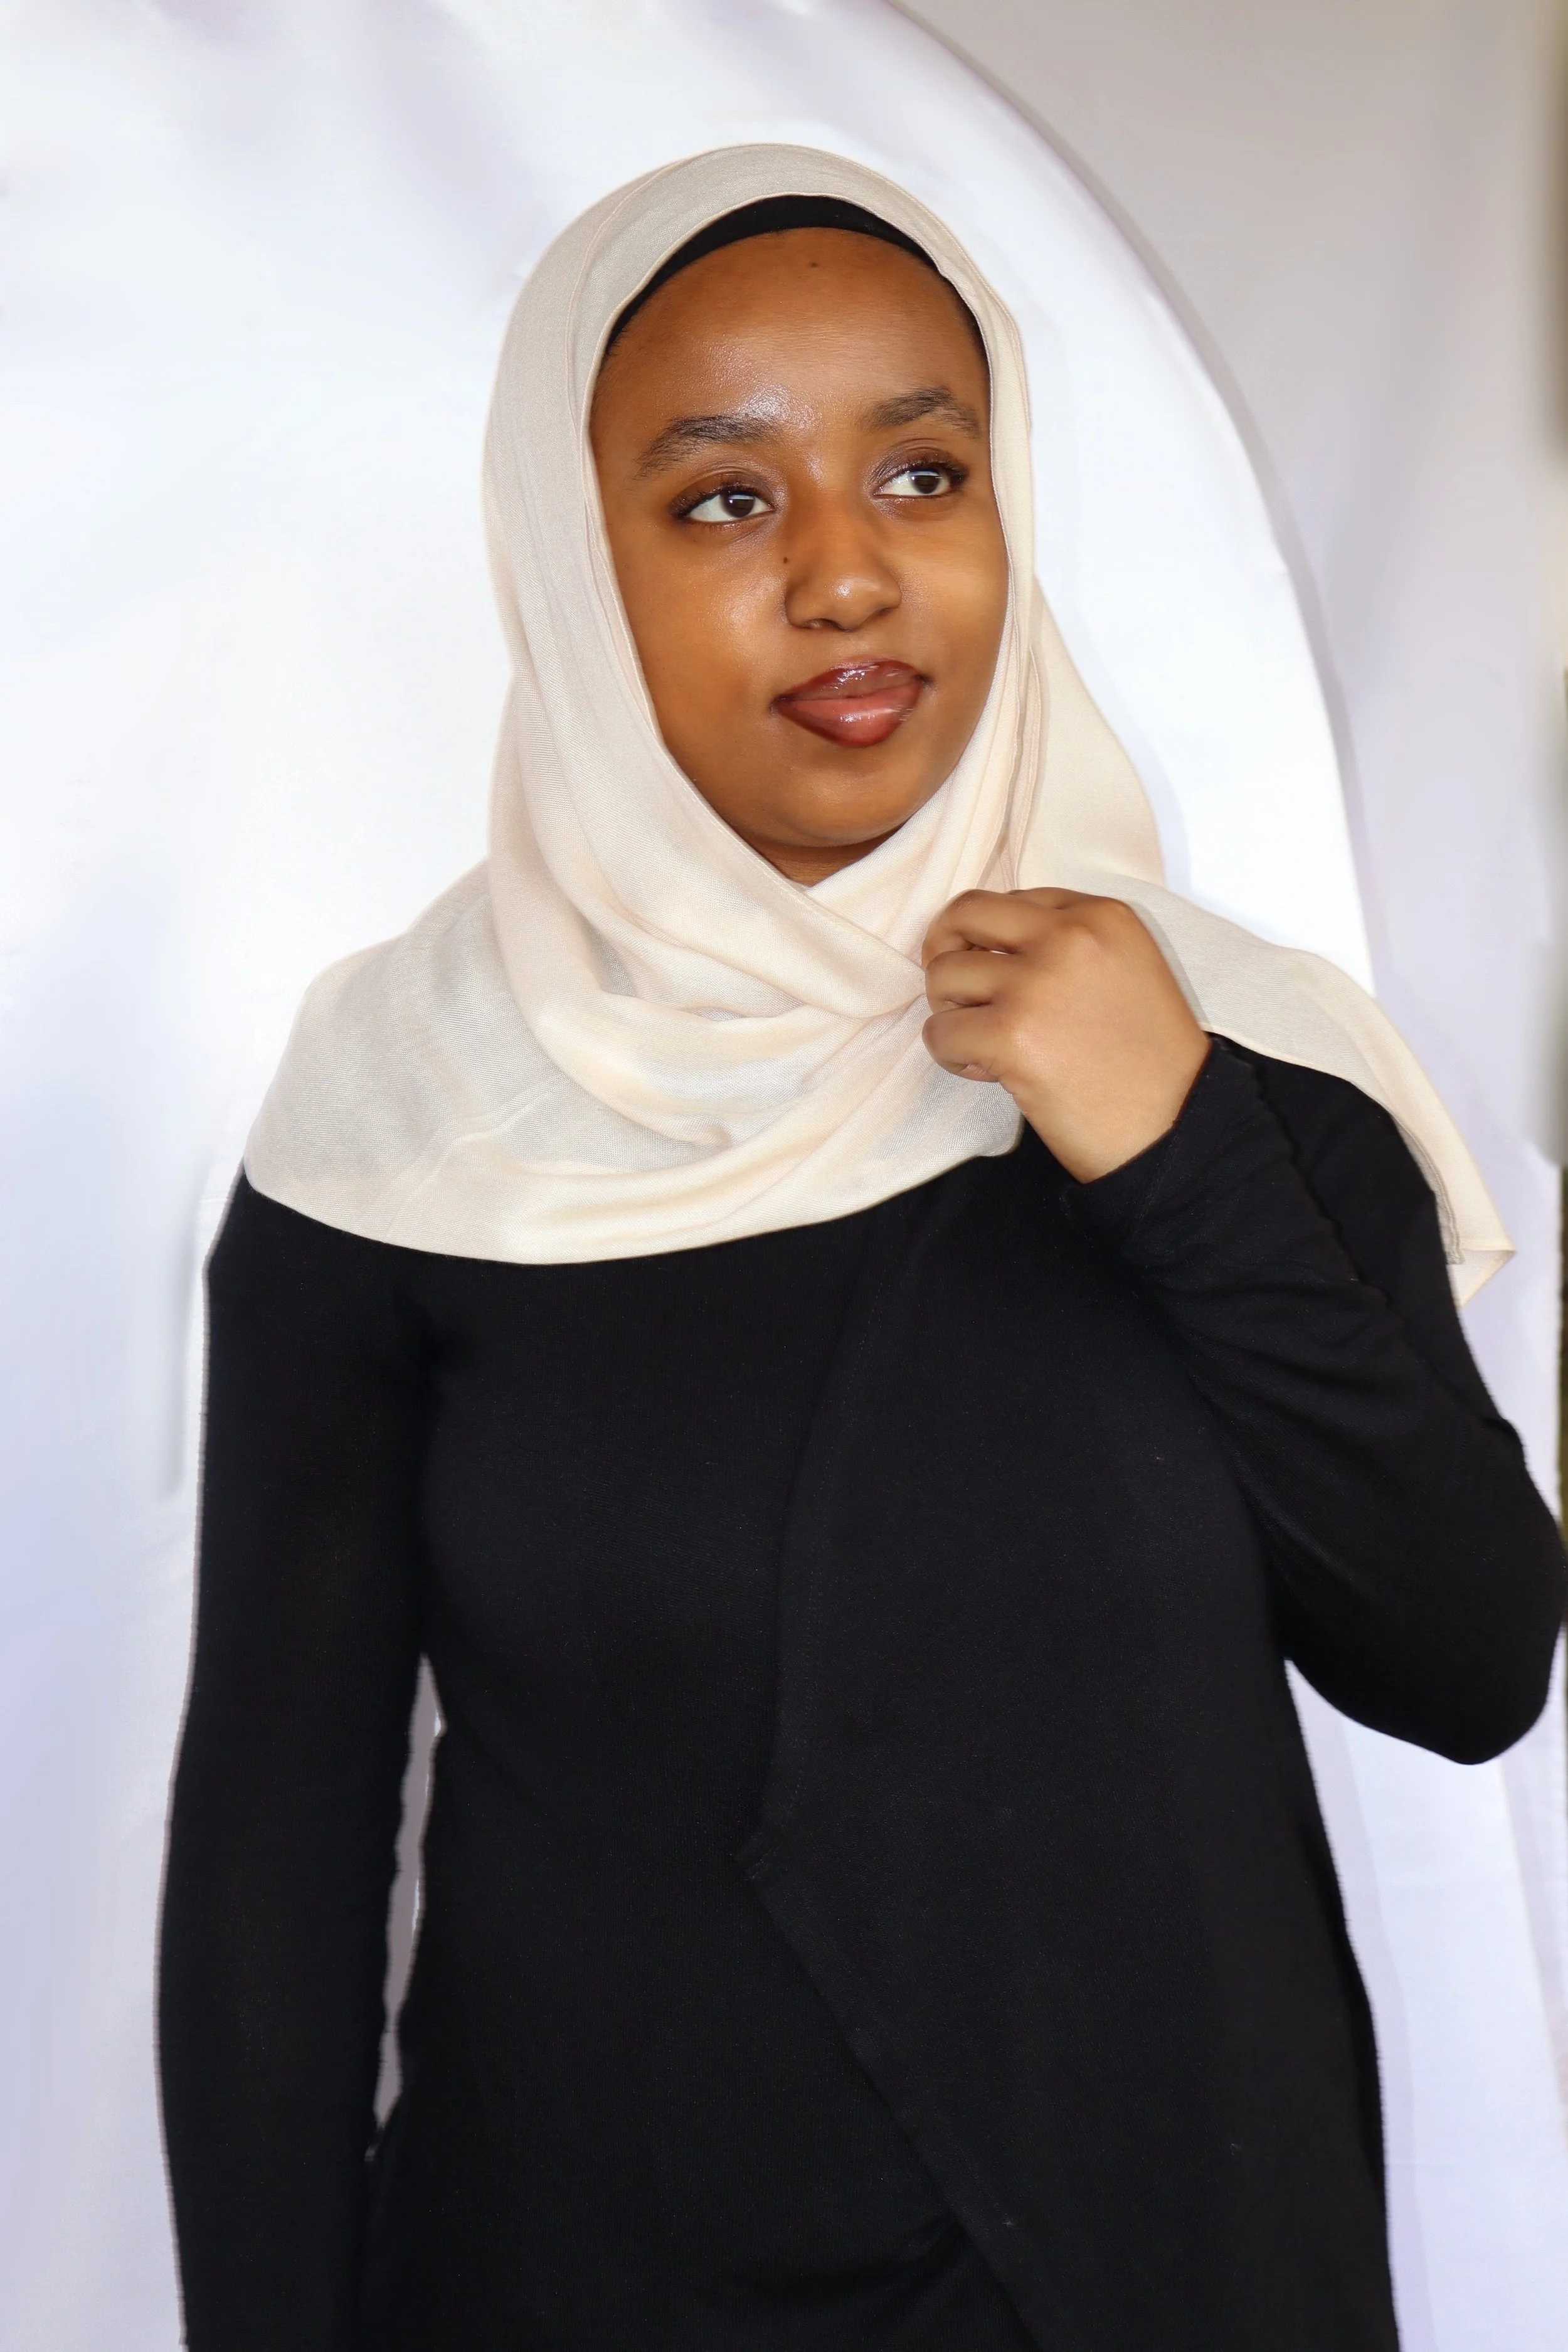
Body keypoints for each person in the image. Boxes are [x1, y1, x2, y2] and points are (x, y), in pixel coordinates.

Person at [157, 149, 1565, 2352]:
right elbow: (276, 1877)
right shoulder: (402, 1115)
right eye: (723, 499)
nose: (844, 575)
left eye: (922, 470)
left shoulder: (1222, 1055)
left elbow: (1467, 1657)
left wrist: (1172, 1148)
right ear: (565, 564)